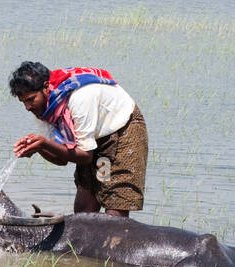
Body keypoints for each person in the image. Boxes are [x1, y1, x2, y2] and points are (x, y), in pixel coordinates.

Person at [8, 62, 147, 217]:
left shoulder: (79, 98)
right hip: (92, 139)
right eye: (23, 102)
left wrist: (44, 143)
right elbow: (61, 160)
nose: (28, 107)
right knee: (84, 206)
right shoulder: (46, 109)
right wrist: (40, 148)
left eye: (31, 99)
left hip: (122, 129)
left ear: (46, 87)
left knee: (115, 206)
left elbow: (85, 156)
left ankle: (116, 239)